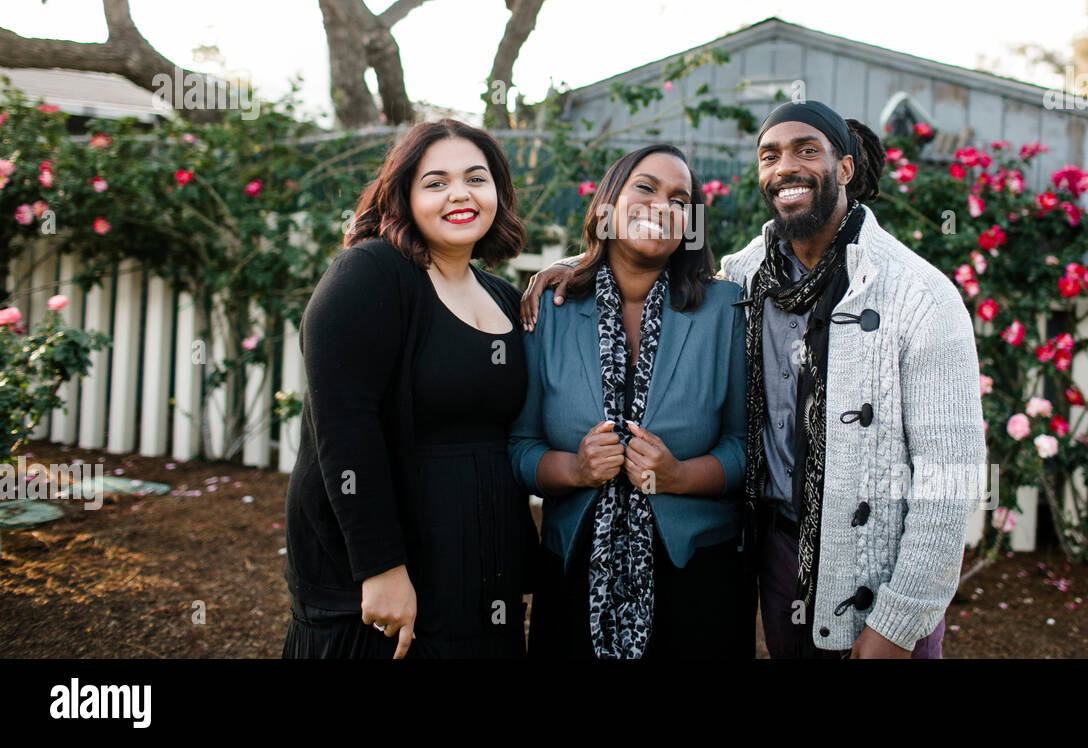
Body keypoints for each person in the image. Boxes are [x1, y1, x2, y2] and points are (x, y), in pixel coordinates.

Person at [521, 101, 985, 659]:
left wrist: (899, 619)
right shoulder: (748, 276)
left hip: (873, 568)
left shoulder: (921, 295)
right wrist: (580, 264)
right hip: (780, 555)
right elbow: (644, 252)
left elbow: (951, 480)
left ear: (845, 168)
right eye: (771, 155)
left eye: (806, 150)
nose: (786, 166)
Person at [283, 119, 538, 659]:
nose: (460, 194)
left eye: (476, 178)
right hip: (389, 571)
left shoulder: (502, 295)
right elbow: (344, 426)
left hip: (478, 570)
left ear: (498, 191)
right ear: (403, 196)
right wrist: (380, 567)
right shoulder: (372, 273)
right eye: (435, 182)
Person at [508, 144, 751, 659]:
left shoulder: (725, 309)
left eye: (680, 199)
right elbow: (520, 447)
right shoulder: (547, 310)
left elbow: (746, 446)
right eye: (645, 187)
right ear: (605, 208)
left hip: (699, 576)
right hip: (574, 569)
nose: (663, 205)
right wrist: (574, 468)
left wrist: (681, 476)